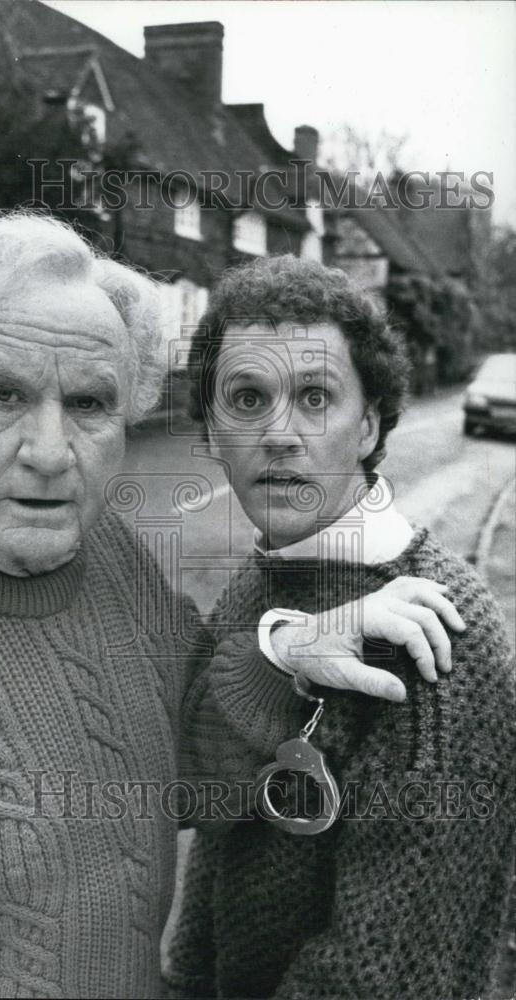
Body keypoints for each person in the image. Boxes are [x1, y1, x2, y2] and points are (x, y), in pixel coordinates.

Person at [0, 216, 464, 999]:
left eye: (88, 403)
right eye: (2, 394)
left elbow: (181, 773)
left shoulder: (109, 556)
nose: (49, 453)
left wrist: (284, 657)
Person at [165, 255, 516, 1000]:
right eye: (247, 398)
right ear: (212, 430)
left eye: (315, 397)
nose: (278, 434)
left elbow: (387, 974)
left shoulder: (437, 636)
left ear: (368, 425)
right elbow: (206, 811)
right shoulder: (262, 581)